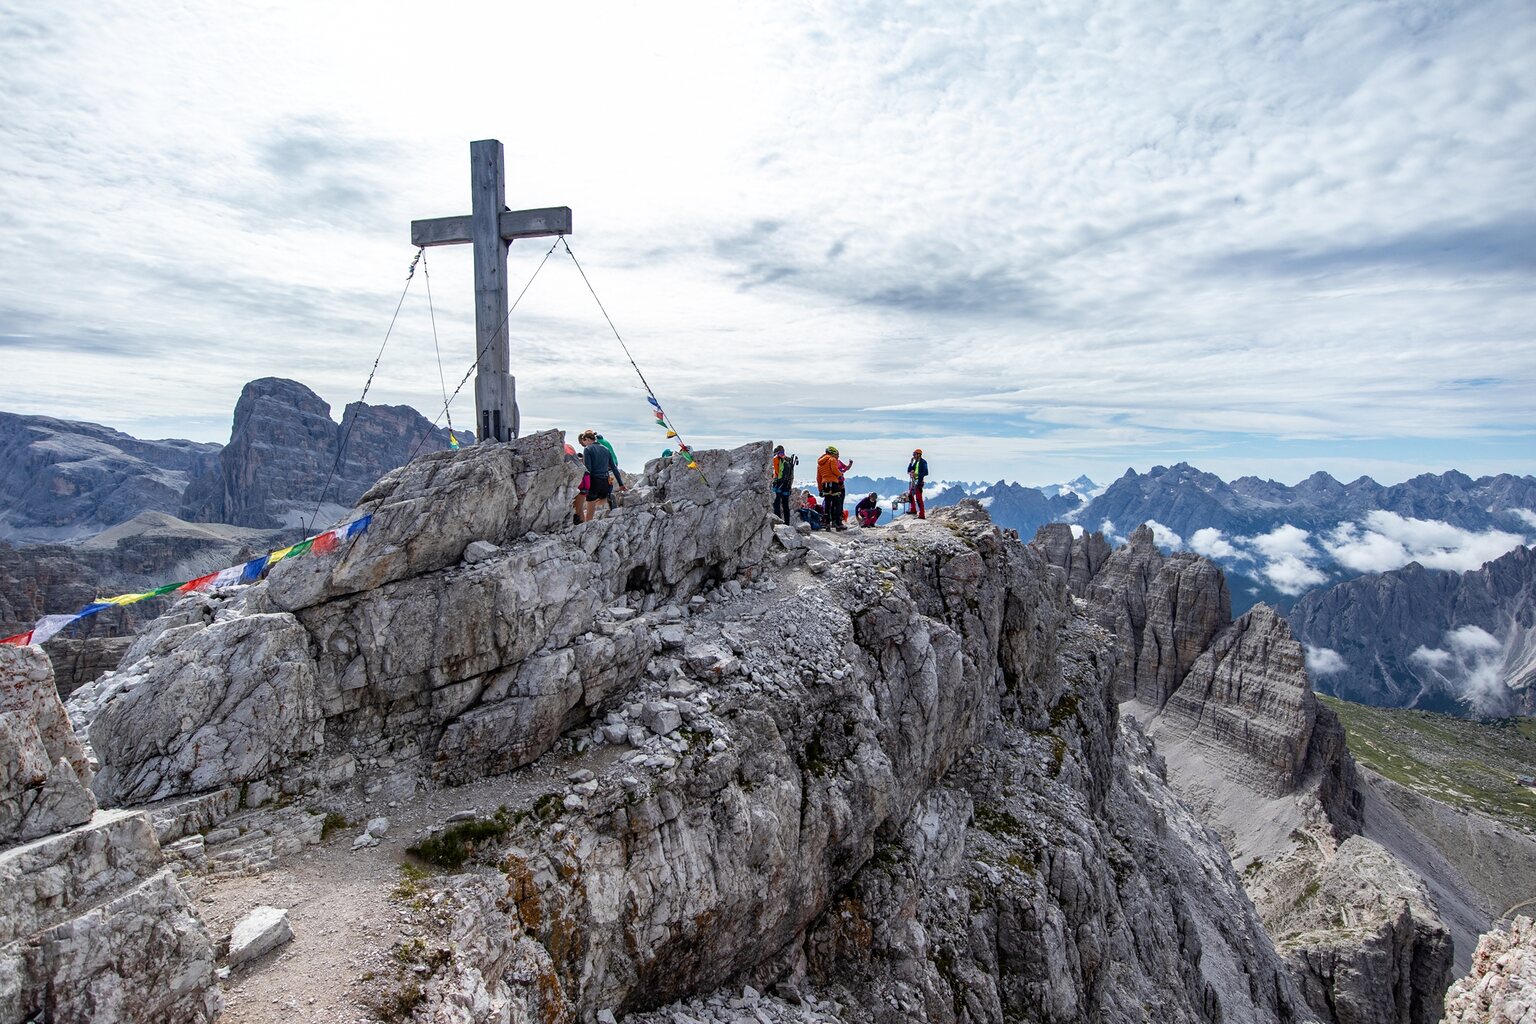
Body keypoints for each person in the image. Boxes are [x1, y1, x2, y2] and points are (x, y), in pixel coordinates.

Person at [580, 429, 625, 522]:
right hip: (605, 482)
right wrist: (621, 484)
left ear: (588, 439)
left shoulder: (587, 449)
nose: (584, 444)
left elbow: (588, 469)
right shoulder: (606, 449)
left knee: (589, 518)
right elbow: (614, 468)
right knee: (601, 499)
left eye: (584, 441)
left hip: (594, 482)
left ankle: (587, 526)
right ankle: (608, 498)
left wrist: (584, 485)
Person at [817, 445, 852, 532]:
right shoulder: (832, 459)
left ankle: (827, 524)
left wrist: (820, 489)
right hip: (834, 483)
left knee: (827, 505)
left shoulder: (819, 463)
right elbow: (834, 470)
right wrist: (840, 475)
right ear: (833, 453)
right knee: (837, 504)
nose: (837, 456)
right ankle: (837, 524)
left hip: (825, 484)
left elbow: (818, 477)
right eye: (837, 454)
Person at [770, 445, 796, 524]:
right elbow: (791, 475)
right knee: (785, 505)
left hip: (778, 484)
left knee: (777, 504)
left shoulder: (776, 459)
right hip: (786, 485)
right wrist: (789, 485)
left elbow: (777, 472)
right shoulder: (788, 460)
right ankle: (787, 523)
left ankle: (778, 523)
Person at [907, 448, 929, 519]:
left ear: (919, 455)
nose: (914, 455)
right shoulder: (916, 462)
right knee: (910, 495)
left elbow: (926, 472)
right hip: (914, 482)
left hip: (919, 482)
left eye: (915, 454)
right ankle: (913, 510)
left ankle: (922, 515)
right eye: (913, 454)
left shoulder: (923, 462)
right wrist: (911, 462)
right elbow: (909, 470)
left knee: (919, 499)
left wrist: (916, 475)